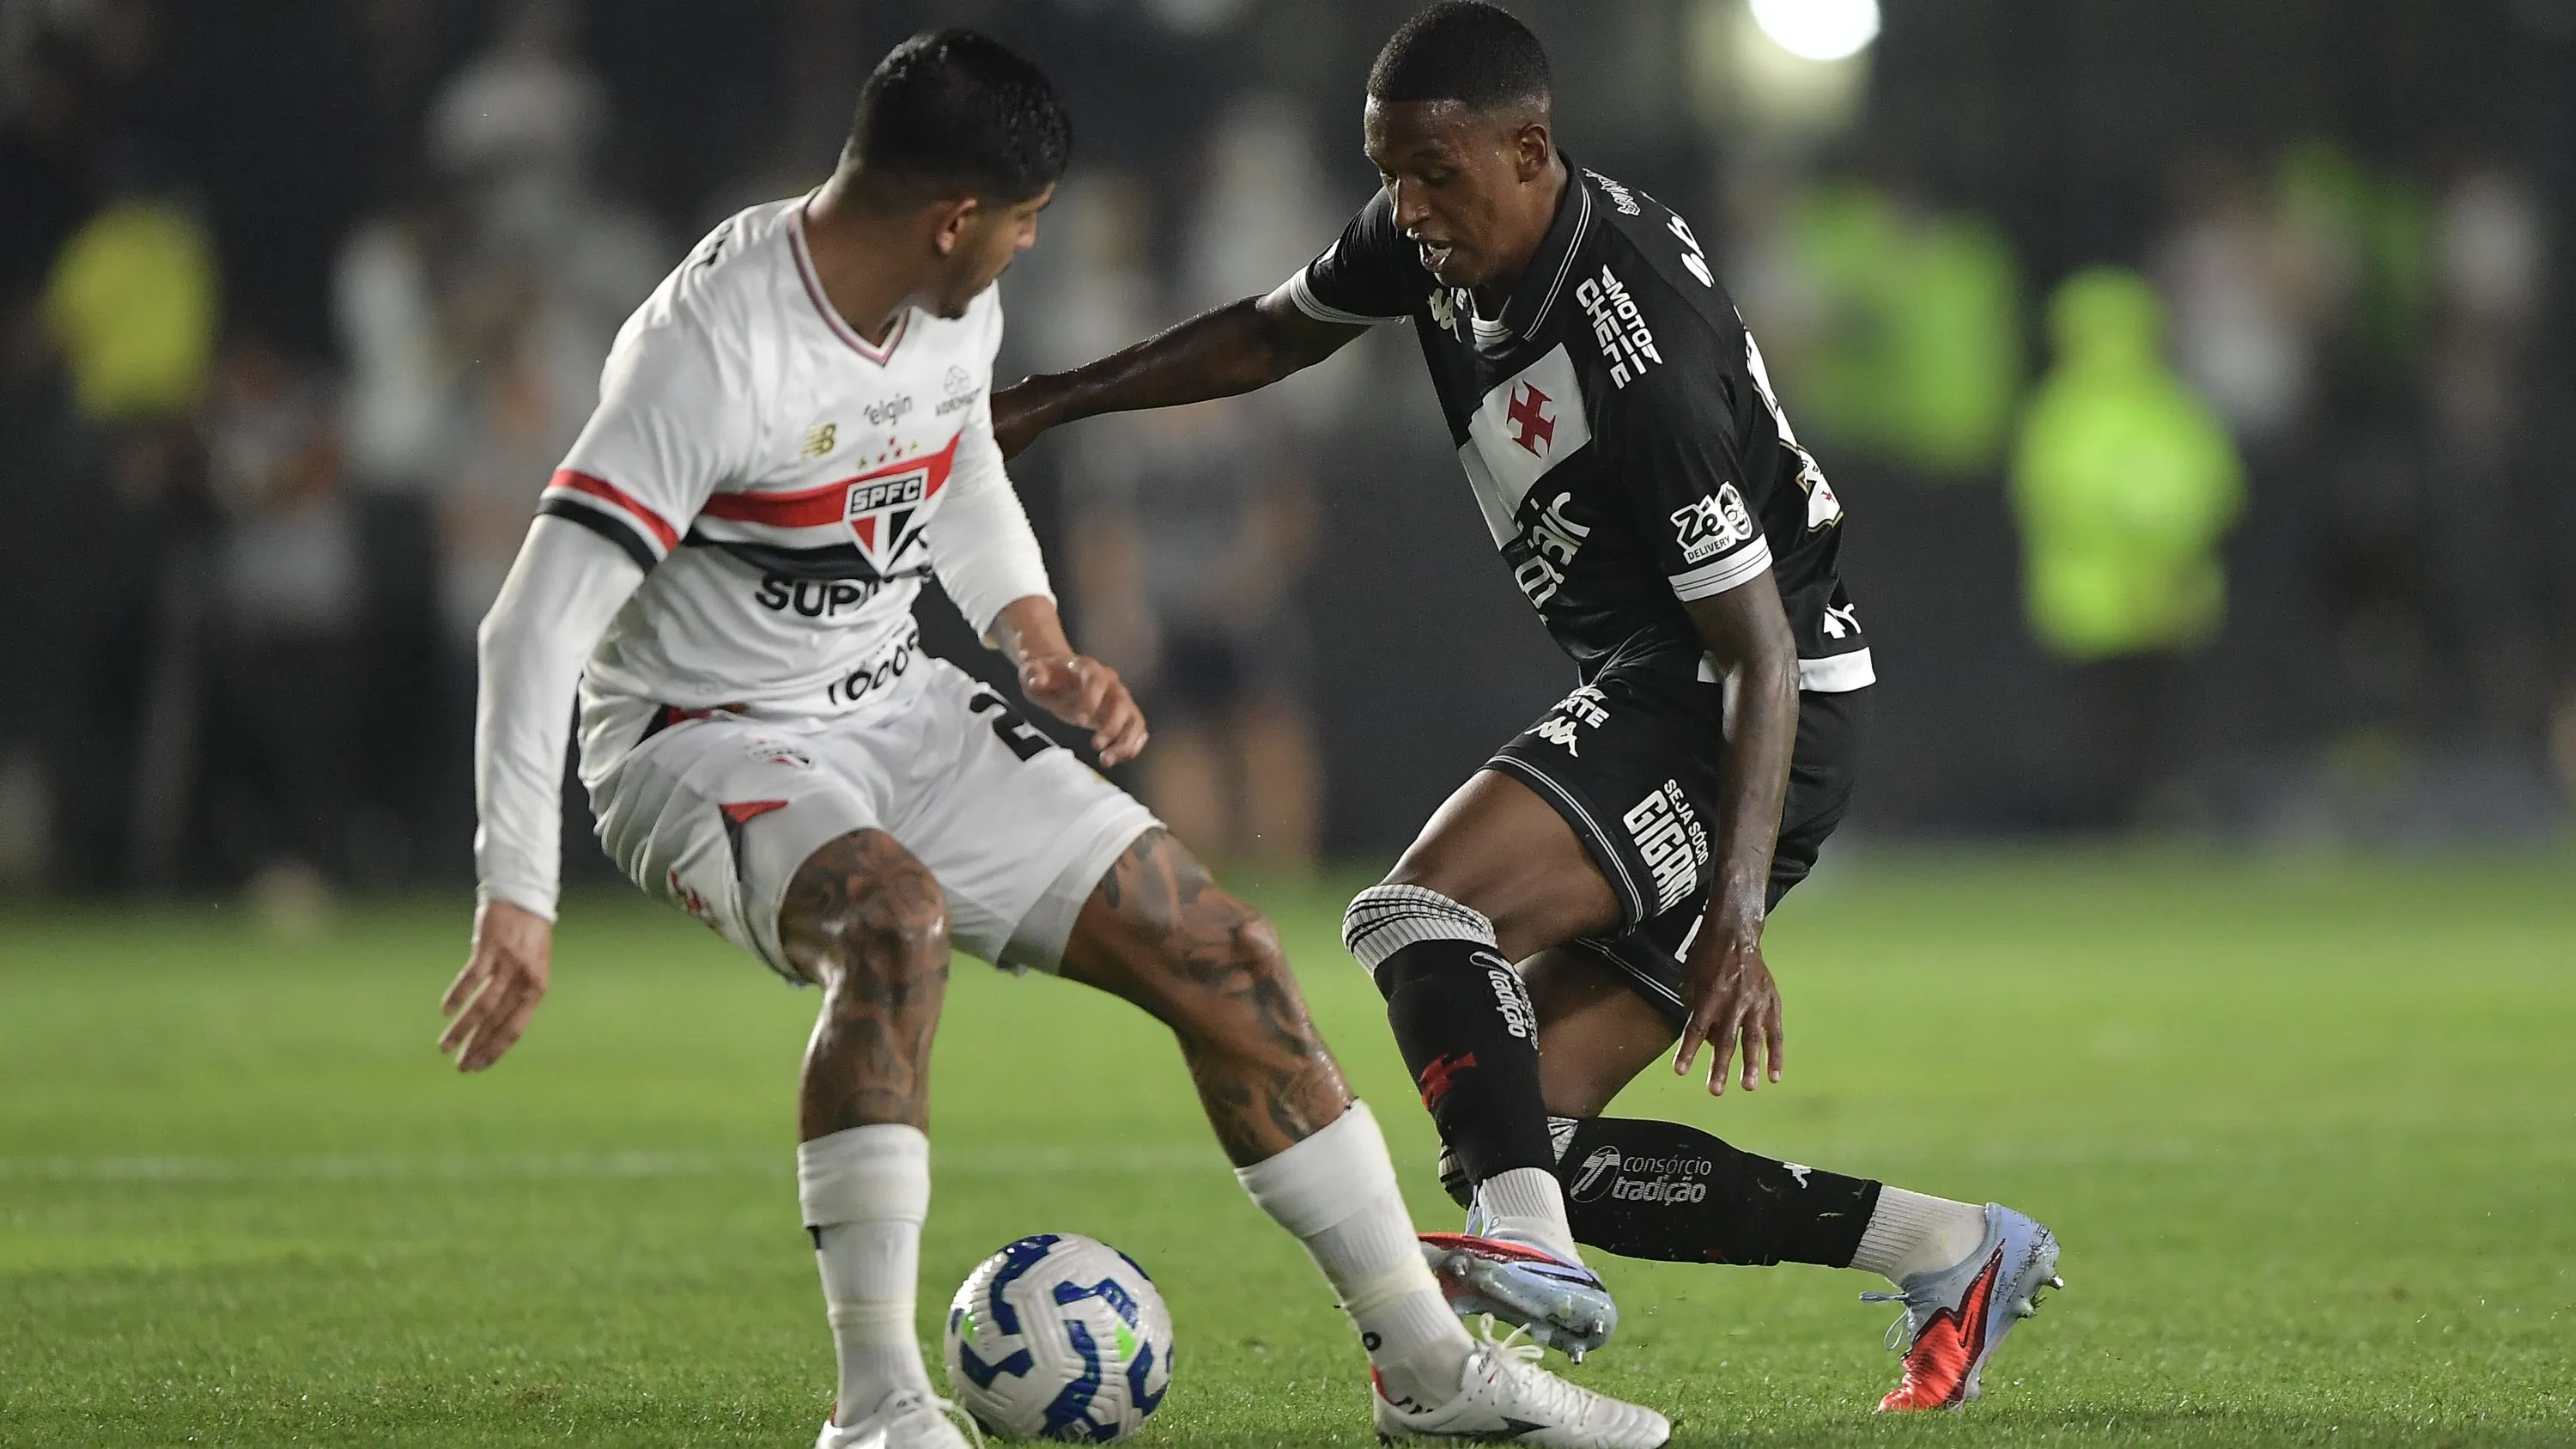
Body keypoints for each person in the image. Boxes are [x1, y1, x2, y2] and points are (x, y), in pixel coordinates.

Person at [438, 29, 1667, 1449]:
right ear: (955, 214)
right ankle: (881, 1408)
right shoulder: (715, 353)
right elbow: (527, 627)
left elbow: (951, 458)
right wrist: (516, 897)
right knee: (888, 920)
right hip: (694, 734)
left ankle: (1429, 1374)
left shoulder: (943, 300)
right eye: (1021, 224)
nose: (1029, 250)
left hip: (890, 695)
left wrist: (1036, 640)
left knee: (1225, 951)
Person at [993, 1, 2061, 1414]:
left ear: (1529, 151)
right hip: (1688, 696)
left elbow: (1753, 653)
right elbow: (1271, 335)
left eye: (1436, 177)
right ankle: (1953, 1248)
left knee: (1418, 913)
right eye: (1392, 175)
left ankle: (1532, 1251)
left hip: (1737, 703)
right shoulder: (1435, 230)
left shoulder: (1637, 352)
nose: (1409, 209)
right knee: (1524, 1124)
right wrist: (1052, 400)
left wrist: (1735, 915)